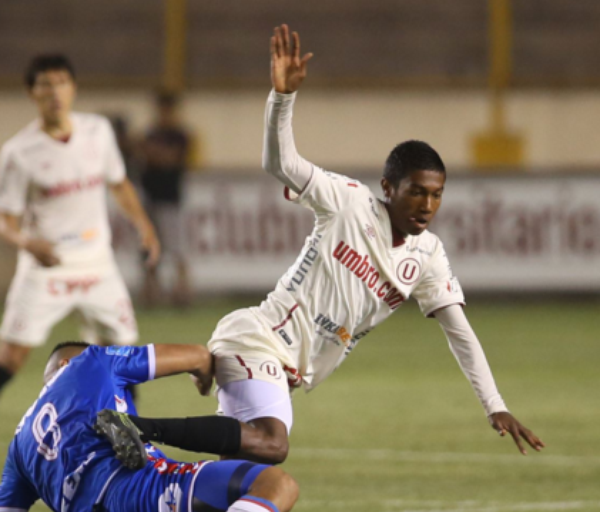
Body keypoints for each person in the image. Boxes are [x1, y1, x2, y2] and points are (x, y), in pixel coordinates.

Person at [99, 24, 544, 468]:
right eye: (416, 192)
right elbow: (280, 163)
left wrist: (494, 404)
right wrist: (282, 99)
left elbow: (460, 333)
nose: (427, 204)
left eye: (436, 194)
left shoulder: (427, 256)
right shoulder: (349, 201)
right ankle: (136, 428)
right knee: (273, 444)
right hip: (259, 340)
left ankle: (145, 501)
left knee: (234, 489)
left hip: (283, 369)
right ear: (388, 187)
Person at [0, 341, 326, 512]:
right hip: (140, 497)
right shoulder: (91, 360)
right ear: (65, 364)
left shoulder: (18, 449)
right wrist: (203, 376)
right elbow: (198, 356)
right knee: (276, 485)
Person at [0, 54, 161, 399]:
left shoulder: (97, 132)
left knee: (123, 355)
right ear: (32, 93)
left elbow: (119, 184)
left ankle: (126, 435)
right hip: (47, 267)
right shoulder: (18, 153)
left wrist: (144, 226)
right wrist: (28, 243)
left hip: (97, 263)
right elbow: (6, 222)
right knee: (11, 358)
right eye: (45, 84)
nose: (54, 92)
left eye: (61, 82)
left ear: (73, 88)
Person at [139, 90, 196, 307]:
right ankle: (151, 294)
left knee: (176, 248)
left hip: (171, 201)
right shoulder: (151, 133)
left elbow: (169, 159)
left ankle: (183, 292)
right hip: (149, 199)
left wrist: (151, 152)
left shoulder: (180, 135)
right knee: (149, 250)